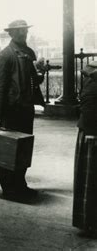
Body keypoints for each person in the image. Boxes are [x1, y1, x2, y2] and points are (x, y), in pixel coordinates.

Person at [0, 19, 44, 200]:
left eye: (25, 30)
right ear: (12, 33)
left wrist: (41, 73)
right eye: (19, 31)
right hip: (10, 112)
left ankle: (20, 184)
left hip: (25, 110)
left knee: (23, 150)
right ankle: (9, 189)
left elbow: (33, 81)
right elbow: (0, 87)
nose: (24, 33)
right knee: (8, 151)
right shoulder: (5, 56)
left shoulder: (27, 54)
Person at [73, 61, 97, 235]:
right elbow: (88, 109)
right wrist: (91, 133)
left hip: (91, 132)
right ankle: (90, 221)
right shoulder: (92, 86)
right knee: (91, 179)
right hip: (92, 135)